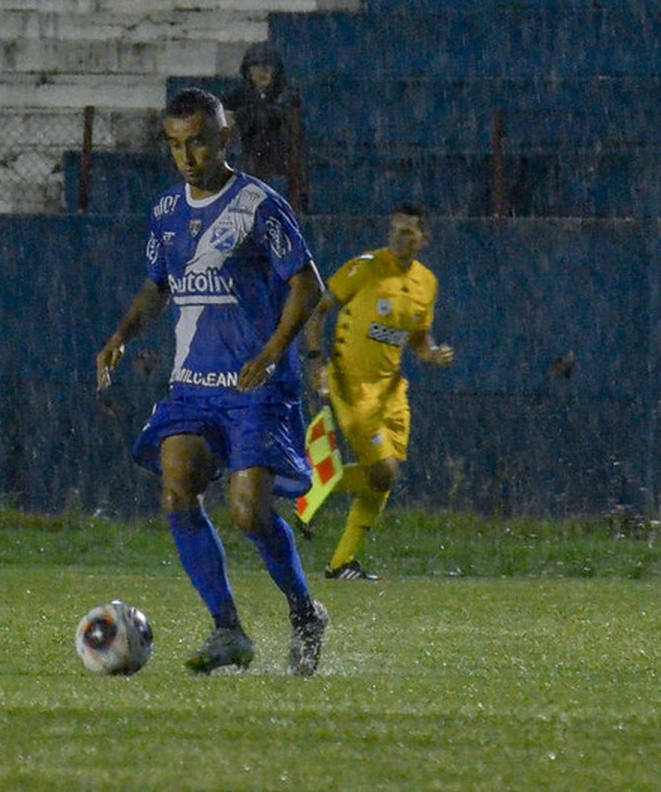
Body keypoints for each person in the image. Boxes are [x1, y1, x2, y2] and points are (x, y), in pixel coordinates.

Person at [96, 88, 329, 676]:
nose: (187, 156)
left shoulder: (258, 205)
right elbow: (157, 287)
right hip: (193, 386)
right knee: (177, 487)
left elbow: (308, 286)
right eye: (175, 144)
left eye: (198, 141)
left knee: (249, 510)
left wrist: (274, 352)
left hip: (254, 386)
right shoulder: (167, 213)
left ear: (225, 138)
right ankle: (229, 630)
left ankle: (305, 613)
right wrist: (123, 333)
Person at [303, 204, 455, 581]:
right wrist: (314, 362)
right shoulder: (366, 267)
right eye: (394, 230)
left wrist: (432, 354)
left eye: (408, 233)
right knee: (383, 470)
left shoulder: (426, 283)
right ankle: (308, 486)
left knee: (384, 477)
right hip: (351, 385)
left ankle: (340, 562)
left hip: (390, 388)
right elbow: (317, 312)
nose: (399, 238)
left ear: (424, 239)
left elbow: (417, 337)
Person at [221, 42, 303, 198]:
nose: (262, 71)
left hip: (280, 162)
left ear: (276, 70)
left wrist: (238, 117)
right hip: (250, 161)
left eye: (268, 66)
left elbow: (272, 114)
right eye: (256, 66)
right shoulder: (241, 93)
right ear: (248, 71)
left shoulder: (288, 92)